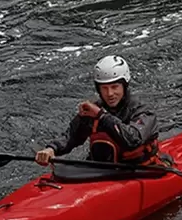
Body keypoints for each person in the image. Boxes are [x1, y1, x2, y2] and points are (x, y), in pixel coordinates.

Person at [34, 55, 169, 167]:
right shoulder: (94, 110)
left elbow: (132, 140)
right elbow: (71, 136)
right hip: (101, 171)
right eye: (104, 88)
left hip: (139, 170)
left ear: (124, 86)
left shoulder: (143, 112)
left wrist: (101, 116)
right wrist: (51, 149)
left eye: (114, 87)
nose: (110, 94)